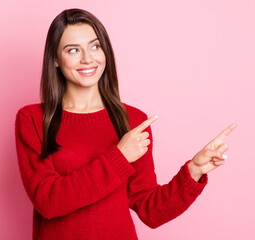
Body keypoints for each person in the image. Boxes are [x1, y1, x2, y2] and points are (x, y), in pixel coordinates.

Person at [14, 8, 237, 240]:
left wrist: (193, 172)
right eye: (73, 50)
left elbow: (151, 211)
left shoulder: (133, 121)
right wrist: (119, 157)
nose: (88, 58)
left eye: (95, 46)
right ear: (55, 60)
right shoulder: (32, 120)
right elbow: (48, 201)